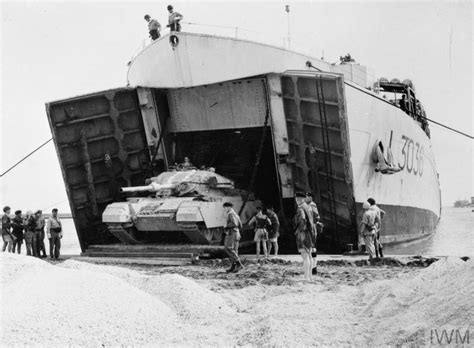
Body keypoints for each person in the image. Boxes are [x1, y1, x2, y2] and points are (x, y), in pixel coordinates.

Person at [294, 192, 314, 281]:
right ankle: (310, 275)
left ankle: (306, 277)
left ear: (297, 199)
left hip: (303, 233)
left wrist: (300, 230)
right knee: (309, 255)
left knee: (305, 256)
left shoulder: (300, 208)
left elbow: (302, 219)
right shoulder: (308, 206)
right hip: (309, 233)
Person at [222, 202, 244, 273]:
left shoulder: (231, 214)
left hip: (232, 232)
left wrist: (226, 226)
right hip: (236, 232)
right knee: (234, 250)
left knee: (228, 248)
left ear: (229, 207)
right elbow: (240, 225)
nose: (224, 209)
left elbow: (234, 223)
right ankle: (234, 267)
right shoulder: (235, 214)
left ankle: (239, 264)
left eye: (225, 207)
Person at [305, 192, 320, 274]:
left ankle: (314, 267)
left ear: (310, 198)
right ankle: (312, 267)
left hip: (311, 228)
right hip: (309, 227)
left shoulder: (312, 205)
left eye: (306, 197)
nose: (305, 198)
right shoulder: (307, 205)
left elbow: (317, 217)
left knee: (312, 248)